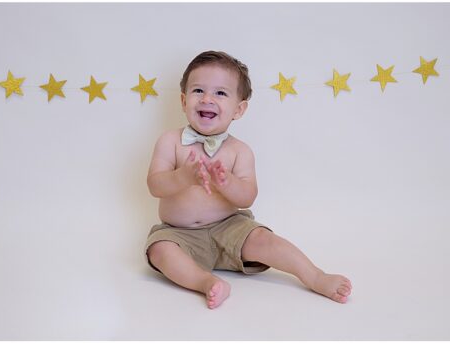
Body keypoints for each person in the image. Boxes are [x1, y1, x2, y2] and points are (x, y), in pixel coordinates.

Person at [145, 50, 351, 308]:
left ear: (239, 109)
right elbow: (155, 185)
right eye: (198, 91)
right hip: (179, 233)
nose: (207, 98)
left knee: (265, 239)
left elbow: (248, 196)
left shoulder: (239, 150)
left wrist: (226, 183)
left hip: (229, 227)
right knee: (160, 250)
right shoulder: (170, 142)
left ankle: (315, 276)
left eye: (220, 93)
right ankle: (205, 282)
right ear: (184, 100)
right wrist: (183, 176)